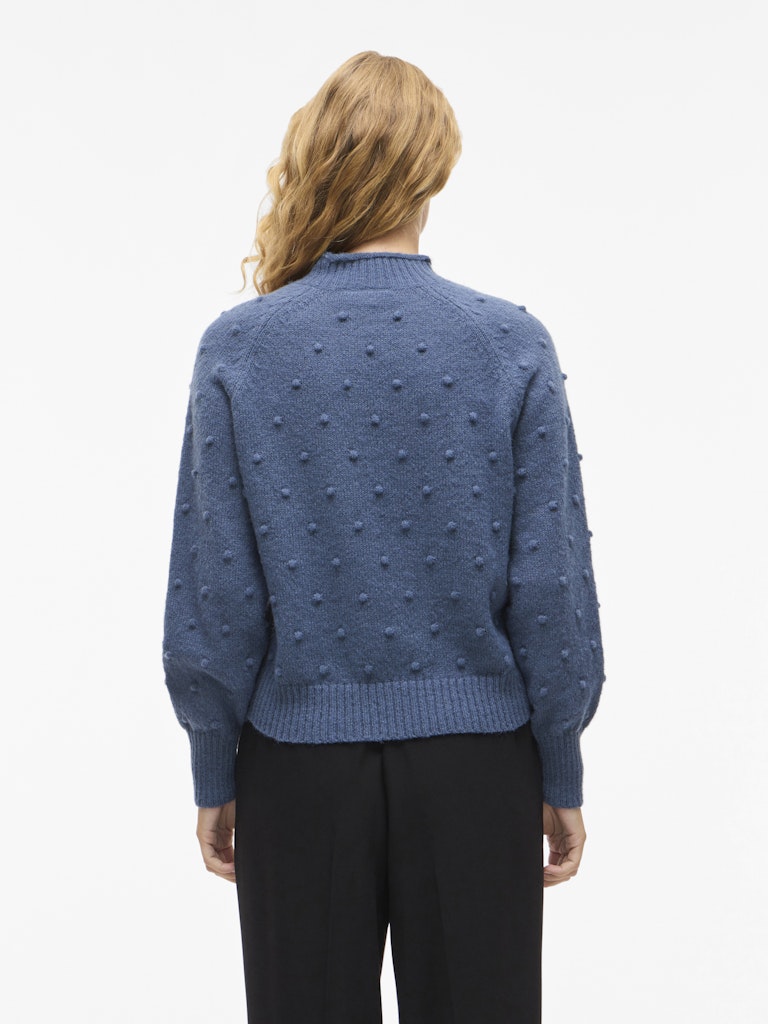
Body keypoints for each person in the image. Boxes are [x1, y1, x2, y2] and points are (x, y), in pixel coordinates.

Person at [161, 49, 606, 1024]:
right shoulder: (510, 342)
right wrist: (560, 759)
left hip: (295, 768)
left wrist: (214, 762)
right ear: (433, 168)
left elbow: (215, 589)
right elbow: (552, 589)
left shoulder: (240, 346)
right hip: (479, 765)